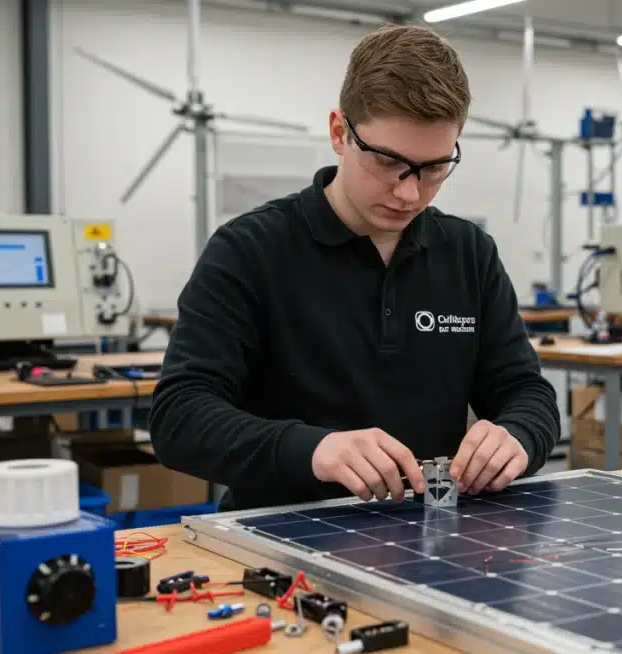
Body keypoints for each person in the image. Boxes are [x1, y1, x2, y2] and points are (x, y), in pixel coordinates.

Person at [149, 24, 560, 511]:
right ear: (340, 133)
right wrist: (314, 450)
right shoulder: (250, 249)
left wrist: (517, 436)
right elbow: (180, 418)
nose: (409, 193)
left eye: (434, 168)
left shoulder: (469, 252)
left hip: (433, 537)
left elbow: (525, 392)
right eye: (389, 163)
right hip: (284, 537)